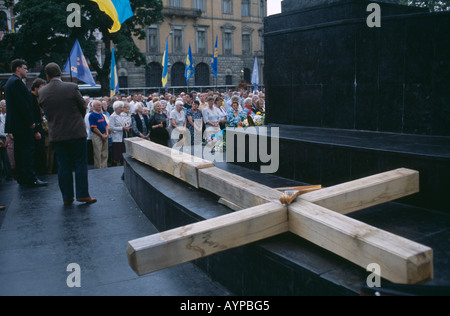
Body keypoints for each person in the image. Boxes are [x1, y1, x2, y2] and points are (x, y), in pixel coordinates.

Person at [38, 62, 96, 205]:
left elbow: (46, 112)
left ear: (47, 76)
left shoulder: (42, 92)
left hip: (57, 134)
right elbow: (83, 107)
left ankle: (67, 196)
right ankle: (82, 194)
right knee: (80, 164)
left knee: (63, 165)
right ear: (60, 73)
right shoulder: (71, 87)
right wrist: (76, 119)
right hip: (76, 132)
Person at [4, 59, 47, 187]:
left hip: (16, 124)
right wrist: (30, 122)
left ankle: (22, 177)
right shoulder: (17, 83)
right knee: (27, 151)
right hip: (22, 124)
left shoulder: (10, 82)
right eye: (25, 68)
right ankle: (30, 178)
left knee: (20, 151)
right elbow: (23, 105)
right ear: (18, 69)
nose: (27, 70)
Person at [30, 78, 47, 176]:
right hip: (35, 128)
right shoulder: (30, 98)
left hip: (39, 126)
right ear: (35, 87)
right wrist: (36, 130)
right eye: (41, 87)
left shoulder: (39, 98)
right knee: (37, 152)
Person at [89, 100, 109, 169]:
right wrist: (102, 135)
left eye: (100, 105)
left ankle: (104, 167)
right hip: (97, 136)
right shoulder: (92, 115)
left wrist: (106, 134)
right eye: (98, 105)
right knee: (98, 152)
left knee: (105, 153)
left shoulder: (101, 114)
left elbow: (106, 125)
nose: (100, 107)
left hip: (104, 134)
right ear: (93, 106)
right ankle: (98, 168)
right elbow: (94, 128)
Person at [109, 101, 129, 166]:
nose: (122, 109)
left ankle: (123, 162)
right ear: (116, 108)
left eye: (122, 107)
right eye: (120, 107)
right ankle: (117, 163)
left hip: (123, 134)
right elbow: (111, 127)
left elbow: (126, 122)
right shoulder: (112, 116)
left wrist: (126, 126)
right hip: (117, 136)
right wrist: (122, 128)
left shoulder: (122, 115)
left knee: (123, 149)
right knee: (117, 151)